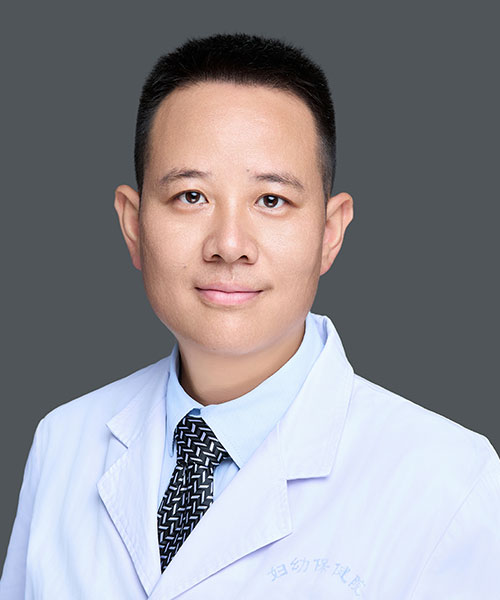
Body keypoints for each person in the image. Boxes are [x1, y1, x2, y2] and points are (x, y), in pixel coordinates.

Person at [1, 33, 499, 600]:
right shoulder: (64, 443)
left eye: (271, 201)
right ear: (133, 225)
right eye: (191, 196)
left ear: (329, 233)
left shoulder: (448, 480)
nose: (229, 245)